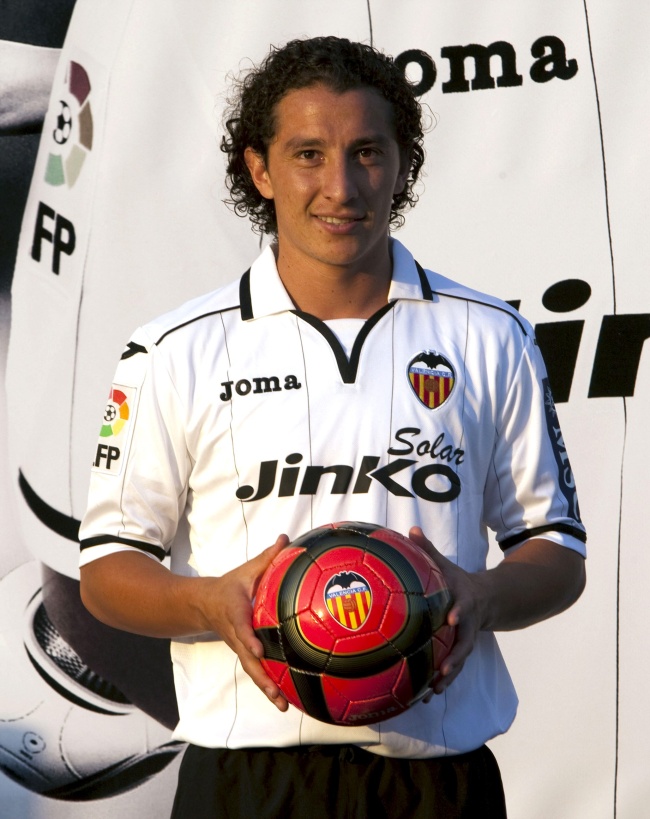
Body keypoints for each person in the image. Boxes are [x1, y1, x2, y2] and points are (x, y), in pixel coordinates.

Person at [78, 36, 586, 818]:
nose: (340, 187)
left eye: (367, 153)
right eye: (308, 154)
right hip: (246, 782)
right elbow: (108, 571)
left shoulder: (490, 336)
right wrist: (209, 602)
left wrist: (482, 595)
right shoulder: (175, 349)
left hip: (436, 779)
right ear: (259, 169)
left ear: (403, 164)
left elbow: (556, 552)